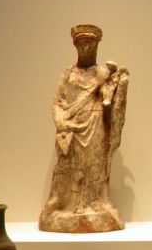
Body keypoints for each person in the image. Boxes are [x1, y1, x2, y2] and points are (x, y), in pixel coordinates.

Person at [39, 24, 128, 233]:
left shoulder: (103, 74)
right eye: (82, 45)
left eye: (90, 44)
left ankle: (93, 203)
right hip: (71, 128)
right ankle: (64, 206)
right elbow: (58, 102)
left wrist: (118, 87)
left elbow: (110, 101)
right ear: (76, 47)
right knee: (68, 168)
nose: (86, 49)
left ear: (96, 47)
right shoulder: (68, 74)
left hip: (95, 125)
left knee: (93, 166)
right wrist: (62, 122)